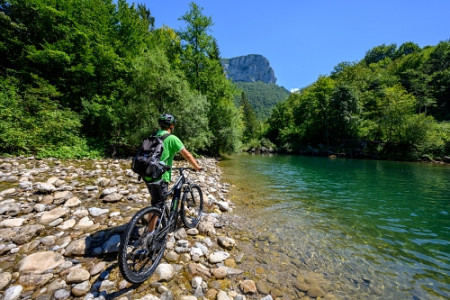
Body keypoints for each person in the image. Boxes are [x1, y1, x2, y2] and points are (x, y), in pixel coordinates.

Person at [145, 113, 202, 229]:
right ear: (171, 126)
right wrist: (197, 167)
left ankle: (156, 224)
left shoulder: (153, 135)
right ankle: (150, 235)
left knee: (155, 201)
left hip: (147, 173)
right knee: (158, 205)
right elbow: (187, 155)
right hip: (161, 175)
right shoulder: (172, 138)